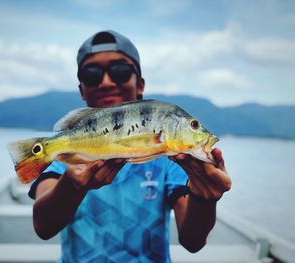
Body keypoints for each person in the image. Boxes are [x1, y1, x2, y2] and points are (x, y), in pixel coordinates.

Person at [29, 30, 231, 263]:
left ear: (140, 84)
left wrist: (204, 197)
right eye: (92, 74)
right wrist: (71, 187)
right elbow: (42, 226)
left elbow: (192, 241)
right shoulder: (65, 148)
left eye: (120, 71)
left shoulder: (172, 156)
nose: (106, 82)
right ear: (82, 90)